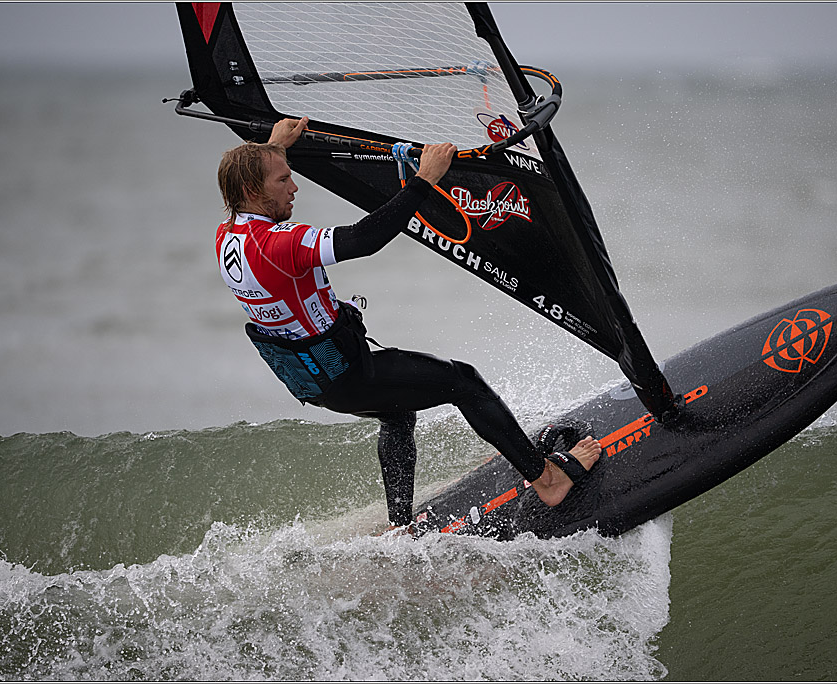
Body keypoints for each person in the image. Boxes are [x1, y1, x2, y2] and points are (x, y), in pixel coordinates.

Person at [214, 116, 601, 533]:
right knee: (463, 382)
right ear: (254, 191)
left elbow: (258, 195)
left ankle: (399, 525)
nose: (294, 187)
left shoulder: (228, 237)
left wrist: (275, 148)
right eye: (282, 180)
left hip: (315, 381)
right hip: (347, 371)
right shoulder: (280, 245)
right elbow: (365, 239)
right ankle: (548, 480)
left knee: (397, 414)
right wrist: (424, 179)